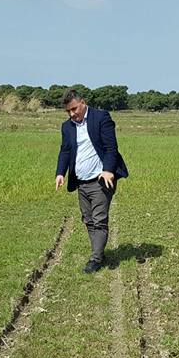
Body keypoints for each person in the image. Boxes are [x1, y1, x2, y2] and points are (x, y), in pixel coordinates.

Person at [54, 88, 129, 273]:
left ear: (83, 102)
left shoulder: (101, 118)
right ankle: (99, 252)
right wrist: (60, 173)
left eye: (74, 109)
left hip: (101, 179)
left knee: (99, 220)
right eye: (68, 111)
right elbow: (65, 150)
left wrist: (108, 170)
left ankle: (95, 259)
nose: (72, 114)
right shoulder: (67, 127)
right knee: (88, 220)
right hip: (81, 181)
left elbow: (111, 147)